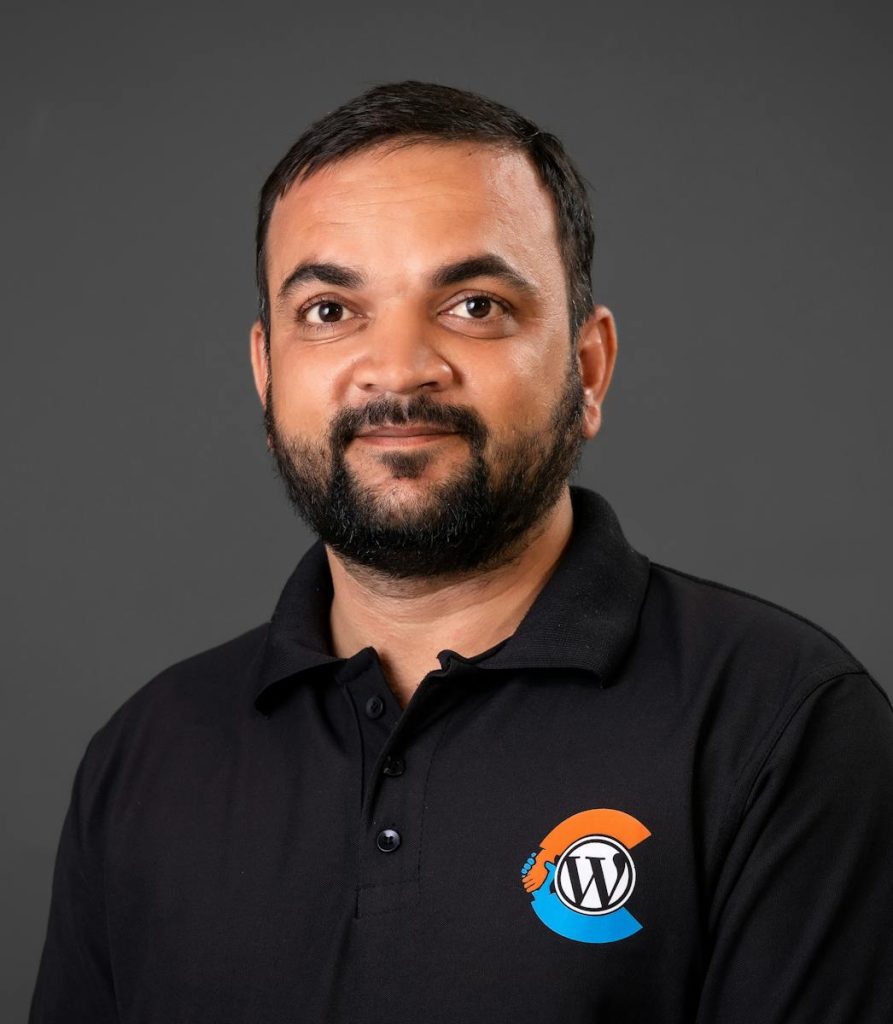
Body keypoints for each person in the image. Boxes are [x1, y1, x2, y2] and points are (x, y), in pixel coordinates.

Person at [29, 80, 893, 1023]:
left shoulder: (781, 725)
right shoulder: (144, 757)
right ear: (266, 370)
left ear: (588, 368)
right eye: (328, 311)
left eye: (474, 305)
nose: (397, 368)